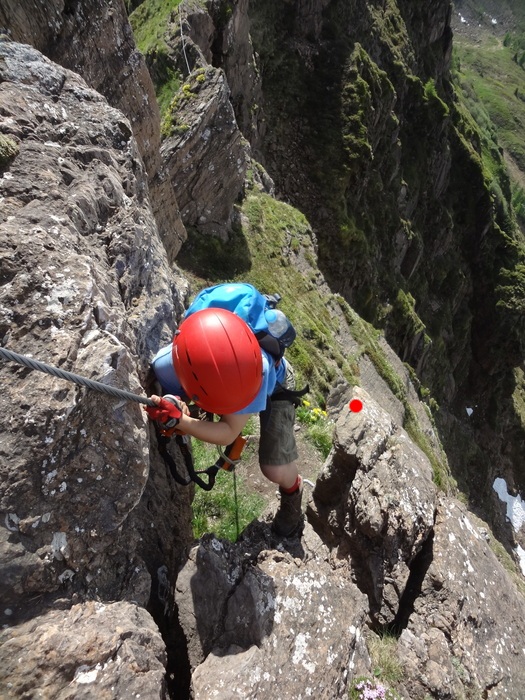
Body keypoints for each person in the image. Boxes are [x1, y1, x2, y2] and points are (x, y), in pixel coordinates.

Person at [147, 289, 304, 538]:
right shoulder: (171, 362)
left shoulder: (257, 370)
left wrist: (183, 421)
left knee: (274, 468)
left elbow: (229, 432)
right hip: (224, 375)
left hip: (276, 386)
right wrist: (175, 404)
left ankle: (293, 496)